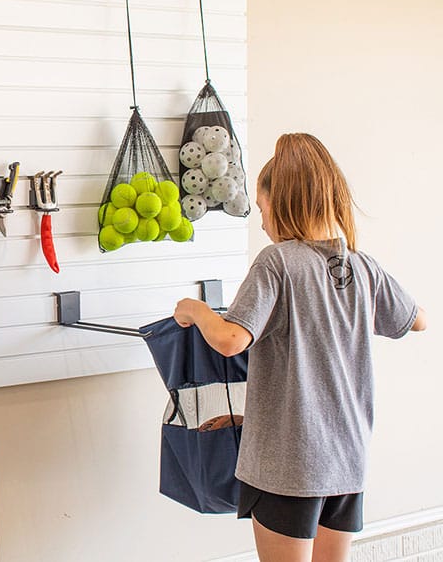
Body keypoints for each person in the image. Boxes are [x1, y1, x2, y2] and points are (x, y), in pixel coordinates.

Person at [173, 133, 427, 562]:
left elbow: (231, 340)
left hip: (288, 465)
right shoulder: (363, 266)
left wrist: (194, 310)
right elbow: (416, 320)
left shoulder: (279, 262)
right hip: (347, 461)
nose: (262, 221)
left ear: (283, 202)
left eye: (262, 208)